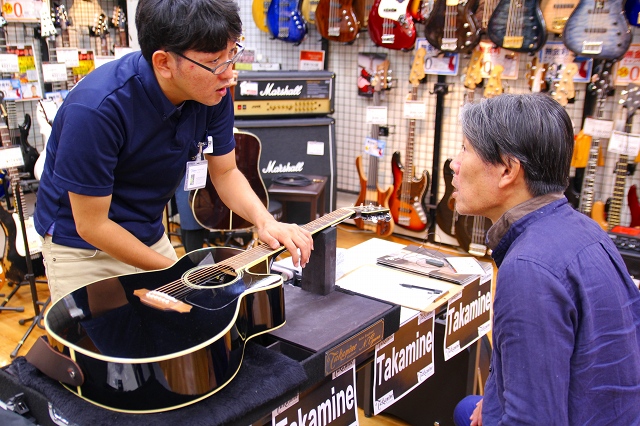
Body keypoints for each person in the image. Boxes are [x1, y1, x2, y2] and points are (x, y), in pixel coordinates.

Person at [34, 0, 313, 304]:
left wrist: (265, 221)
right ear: (164, 62)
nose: (229, 73)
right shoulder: (96, 110)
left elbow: (226, 172)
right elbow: (91, 225)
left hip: (148, 233)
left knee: (180, 333)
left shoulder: (212, 92)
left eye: (233, 53)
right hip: (83, 248)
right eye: (216, 61)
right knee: (103, 346)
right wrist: (181, 272)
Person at [450, 93, 640, 425]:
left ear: (508, 170)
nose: (454, 162)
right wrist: (497, 397)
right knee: (468, 405)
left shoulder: (529, 269)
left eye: (465, 149)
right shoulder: (585, 228)